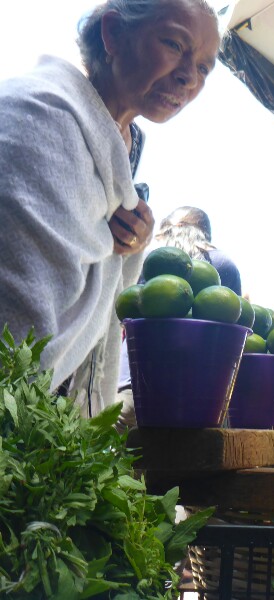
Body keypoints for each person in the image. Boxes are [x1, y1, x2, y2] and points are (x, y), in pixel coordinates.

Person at [0, 0, 220, 418]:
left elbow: (93, 233)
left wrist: (136, 237)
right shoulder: (37, 117)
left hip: (52, 410)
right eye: (175, 45)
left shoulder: (127, 140)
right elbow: (15, 319)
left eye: (204, 68)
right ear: (113, 34)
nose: (189, 77)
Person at [116, 206, 242, 429]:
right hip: (202, 396)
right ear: (206, 234)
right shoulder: (223, 264)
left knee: (110, 444)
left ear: (164, 230)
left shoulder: (147, 258)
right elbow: (232, 331)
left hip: (138, 384)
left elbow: (123, 314)